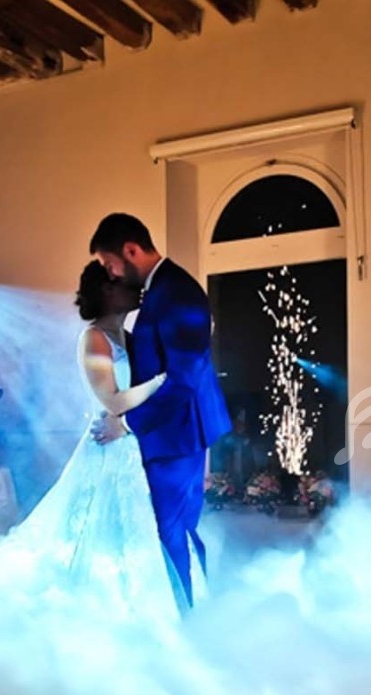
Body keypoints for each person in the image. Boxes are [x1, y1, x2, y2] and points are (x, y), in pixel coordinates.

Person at [0, 261, 201, 619]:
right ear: (107, 292)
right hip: (108, 446)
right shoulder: (93, 338)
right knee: (104, 535)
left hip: (136, 442)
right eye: (125, 284)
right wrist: (163, 380)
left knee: (148, 530)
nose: (135, 288)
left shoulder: (129, 339)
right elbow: (112, 400)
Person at [88, 213, 231, 610]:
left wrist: (128, 422)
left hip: (177, 433)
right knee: (174, 529)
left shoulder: (177, 292)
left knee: (171, 531)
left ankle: (187, 617)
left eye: (109, 263)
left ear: (131, 250)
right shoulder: (161, 291)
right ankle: (190, 608)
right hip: (173, 432)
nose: (111, 273)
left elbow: (182, 378)